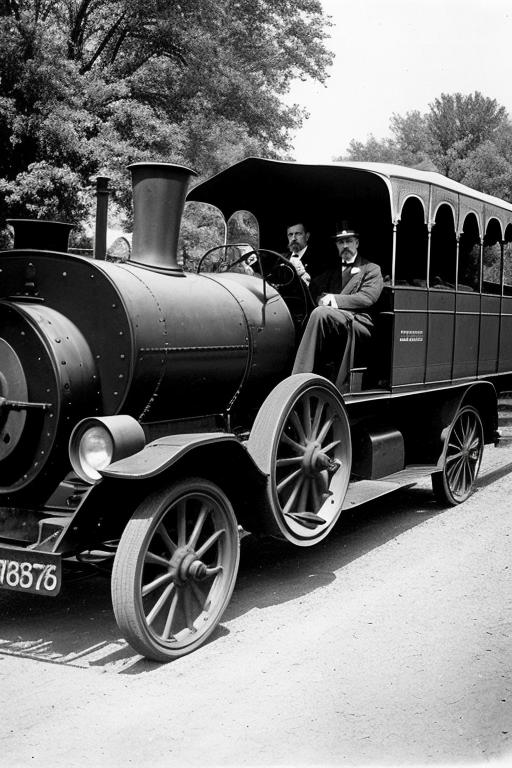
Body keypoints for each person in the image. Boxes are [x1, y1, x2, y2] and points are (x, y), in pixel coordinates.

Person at [291, 227, 383, 392]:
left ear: (357, 243)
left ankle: (298, 379)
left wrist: (333, 299)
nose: (345, 245)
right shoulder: (332, 271)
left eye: (349, 241)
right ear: (336, 246)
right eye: (341, 242)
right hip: (336, 320)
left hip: (360, 323)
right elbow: (315, 289)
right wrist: (303, 276)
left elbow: (367, 297)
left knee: (320, 313)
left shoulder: (371, 268)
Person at [285, 221, 335, 285]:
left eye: (298, 234)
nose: (293, 238)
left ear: (307, 236)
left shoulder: (320, 260)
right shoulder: (281, 258)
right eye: (290, 235)